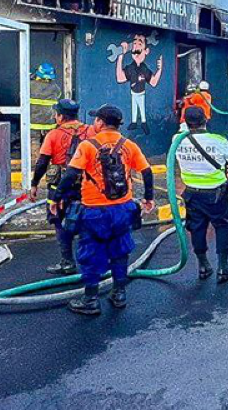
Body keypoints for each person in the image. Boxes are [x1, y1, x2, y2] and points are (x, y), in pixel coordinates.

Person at [52, 104, 154, 315]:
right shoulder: (129, 145)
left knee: (90, 252)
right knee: (120, 250)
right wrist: (149, 198)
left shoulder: (88, 146)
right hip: (123, 208)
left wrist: (56, 198)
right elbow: (147, 171)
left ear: (99, 122)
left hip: (94, 210)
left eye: (95, 119)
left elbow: (70, 175)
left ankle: (90, 299)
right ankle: (118, 293)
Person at [175, 107, 228, 283]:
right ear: (206, 120)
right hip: (216, 194)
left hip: (191, 194)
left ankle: (203, 265)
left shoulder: (178, 140)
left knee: (196, 228)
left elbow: (182, 130)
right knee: (223, 226)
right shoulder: (218, 140)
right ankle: (223, 267)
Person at [29, 99, 95, 275]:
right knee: (86, 222)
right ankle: (90, 263)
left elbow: (42, 162)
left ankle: (67, 262)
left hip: (59, 187)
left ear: (60, 116)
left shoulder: (53, 135)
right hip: (86, 186)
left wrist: (34, 184)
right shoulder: (91, 131)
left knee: (59, 221)